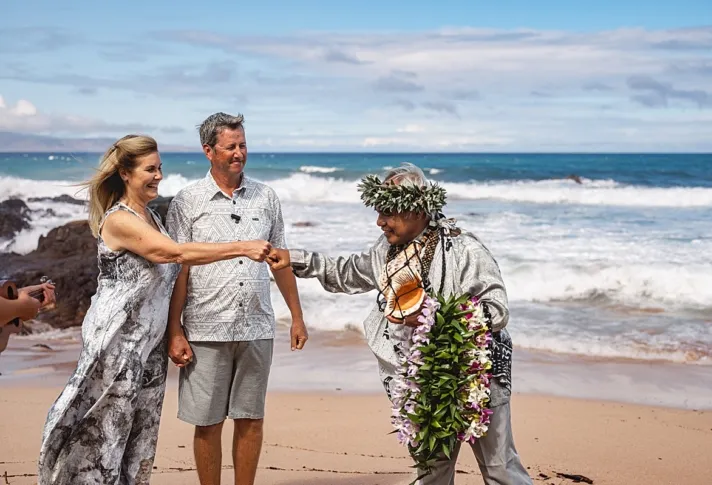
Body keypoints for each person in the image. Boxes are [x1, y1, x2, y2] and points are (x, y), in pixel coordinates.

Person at [267, 163, 532, 484]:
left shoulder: (464, 249)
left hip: (477, 377)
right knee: (432, 471)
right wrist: (295, 258)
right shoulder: (386, 250)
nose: (380, 222)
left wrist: (431, 316)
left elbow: (497, 309)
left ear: (418, 210)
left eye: (389, 213)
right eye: (379, 212)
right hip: (418, 380)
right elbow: (347, 272)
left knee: (499, 468)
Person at [38, 134, 273, 485]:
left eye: (160, 168)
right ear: (125, 173)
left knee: (140, 438)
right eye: (150, 169)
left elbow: (172, 275)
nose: (159, 176)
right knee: (103, 436)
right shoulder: (120, 220)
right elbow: (174, 254)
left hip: (148, 349)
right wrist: (241, 246)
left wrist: (174, 331)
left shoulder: (150, 217)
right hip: (117, 344)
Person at [165, 112, 308, 485]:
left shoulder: (266, 198)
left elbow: (280, 261)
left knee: (251, 418)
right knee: (207, 422)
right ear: (208, 150)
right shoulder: (186, 201)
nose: (239, 153)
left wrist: (296, 315)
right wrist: (174, 330)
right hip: (204, 328)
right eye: (231, 147)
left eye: (243, 145)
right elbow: (178, 268)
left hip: (257, 325)